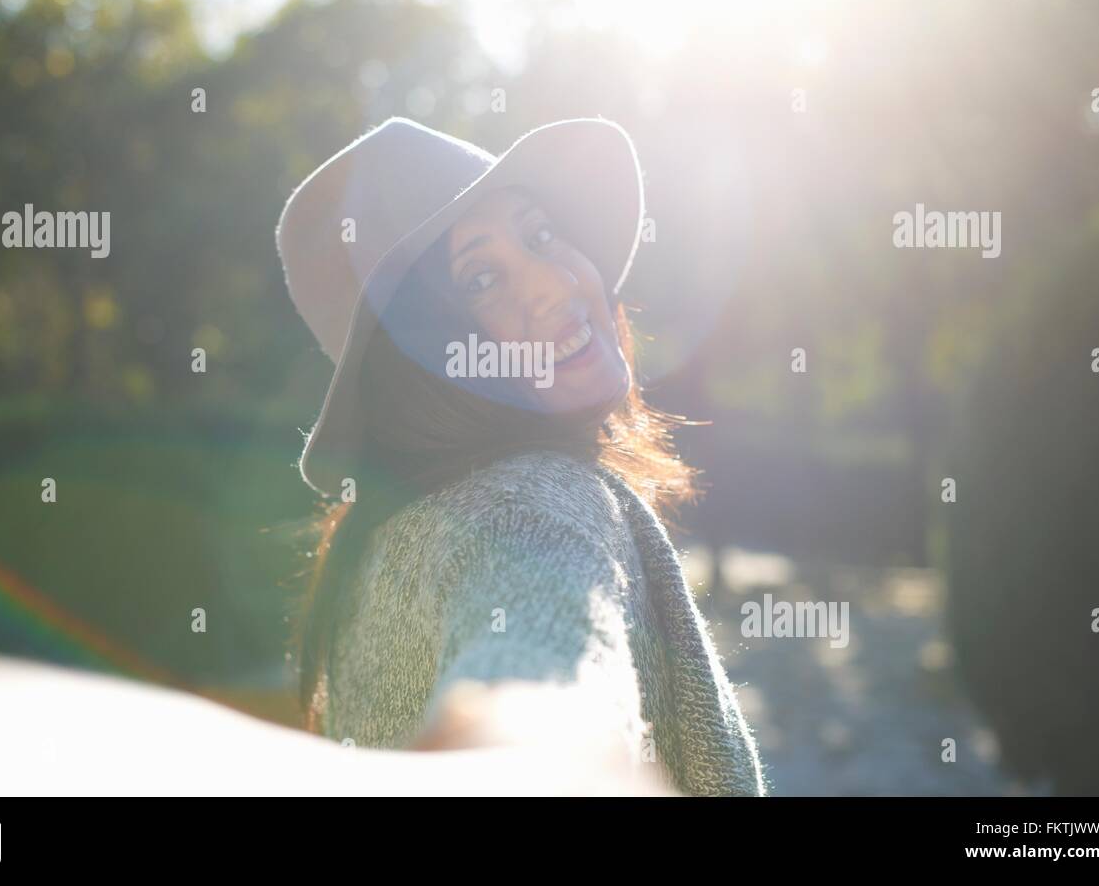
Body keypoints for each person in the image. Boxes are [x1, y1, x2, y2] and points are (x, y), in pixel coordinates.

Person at [276, 116, 767, 796]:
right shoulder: (538, 498)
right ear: (421, 364)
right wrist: (534, 746)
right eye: (480, 278)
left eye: (541, 236)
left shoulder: (377, 545)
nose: (555, 282)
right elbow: (544, 669)